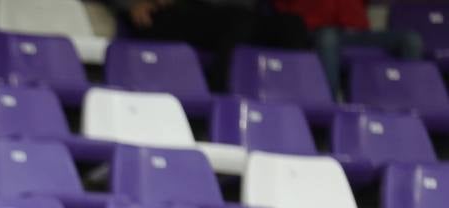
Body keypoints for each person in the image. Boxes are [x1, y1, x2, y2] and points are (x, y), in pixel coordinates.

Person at [115, 0, 310, 88]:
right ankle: (220, 99)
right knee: (238, 22)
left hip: (239, 15)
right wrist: (132, 4)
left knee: (293, 25)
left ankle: (301, 117)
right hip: (180, 12)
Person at [271, 0, 423, 98]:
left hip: (357, 32)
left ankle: (412, 102)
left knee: (411, 39)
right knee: (328, 38)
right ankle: (328, 103)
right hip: (317, 30)